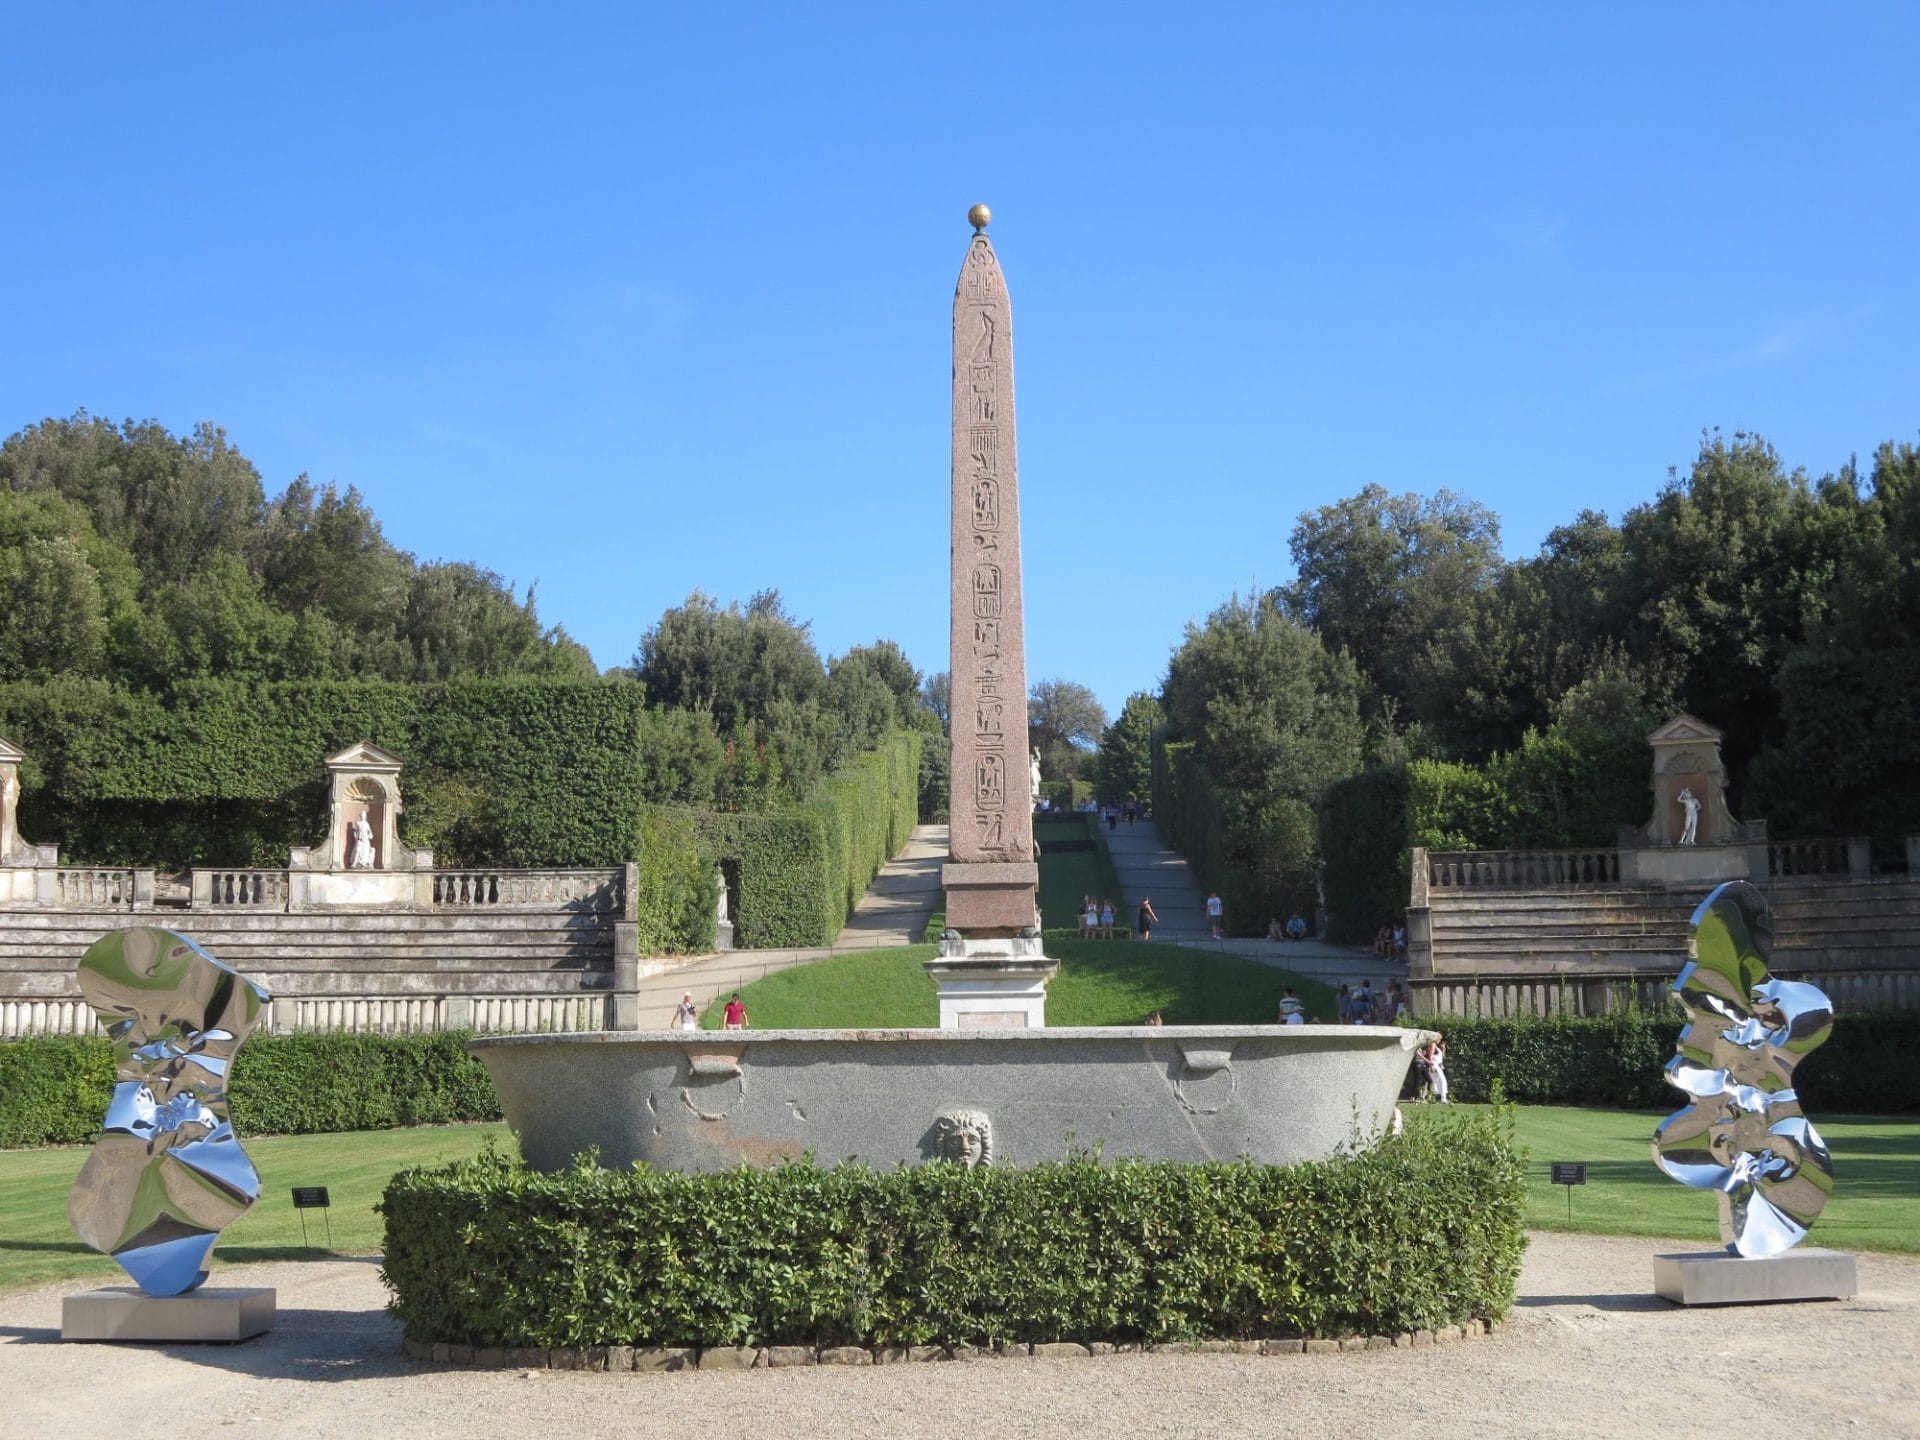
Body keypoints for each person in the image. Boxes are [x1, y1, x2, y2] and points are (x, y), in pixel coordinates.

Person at [1421, 1032, 1449, 1103]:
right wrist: (1431, 1066)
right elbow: (1430, 1055)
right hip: (1434, 1065)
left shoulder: (1436, 1045)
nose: (1440, 1040)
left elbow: (1440, 1057)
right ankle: (1443, 1098)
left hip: (1436, 1065)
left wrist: (1443, 1050)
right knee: (1441, 1080)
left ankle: (1433, 1098)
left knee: (1436, 1082)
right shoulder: (1432, 1045)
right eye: (1439, 1039)